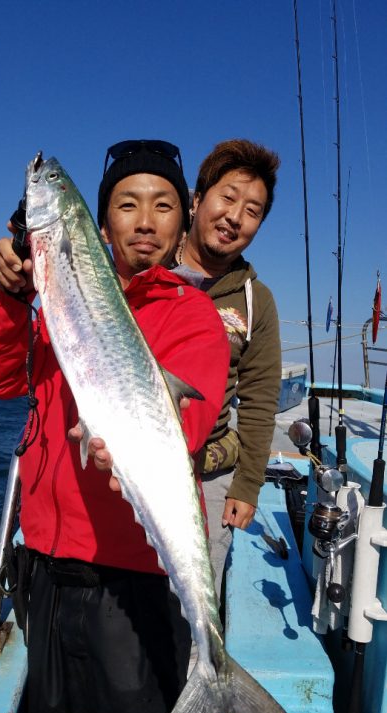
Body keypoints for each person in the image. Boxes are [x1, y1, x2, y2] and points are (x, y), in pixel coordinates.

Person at [0, 140, 230, 713]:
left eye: (163, 205)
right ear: (101, 225)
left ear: (183, 220)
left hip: (130, 590)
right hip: (48, 582)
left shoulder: (193, 315)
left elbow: (188, 420)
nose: (146, 219)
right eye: (128, 204)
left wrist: (134, 449)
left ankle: (212, 671)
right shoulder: (57, 307)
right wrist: (8, 294)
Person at [175, 139, 282, 600]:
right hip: (123, 462)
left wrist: (248, 485)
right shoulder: (144, 261)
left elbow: (260, 400)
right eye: (228, 197)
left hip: (207, 475)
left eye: (253, 210)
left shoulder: (257, 301)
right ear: (197, 200)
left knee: (192, 604)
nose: (236, 217)